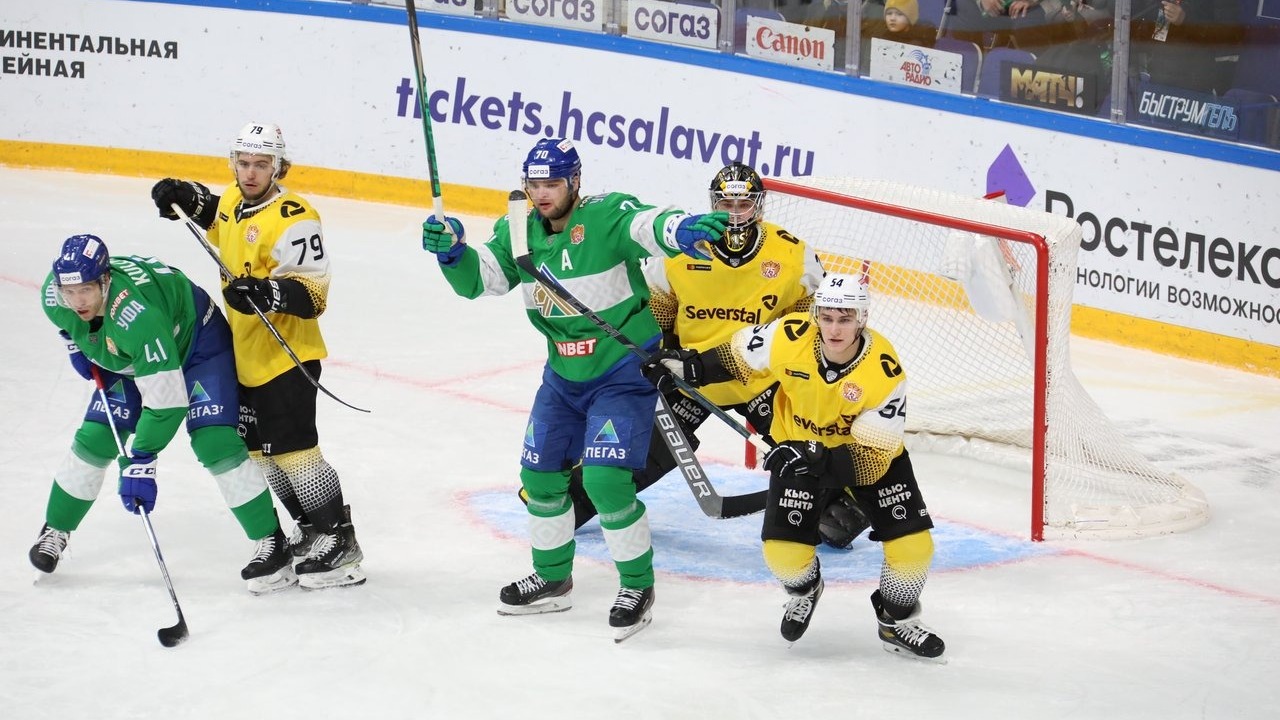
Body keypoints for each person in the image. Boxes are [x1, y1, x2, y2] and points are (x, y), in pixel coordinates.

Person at [420, 137, 728, 641]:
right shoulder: (517, 227)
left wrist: (682, 228)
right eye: (534, 184)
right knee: (539, 477)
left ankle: (637, 586)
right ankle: (553, 577)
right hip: (563, 376)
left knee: (606, 482)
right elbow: (482, 280)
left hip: (621, 372)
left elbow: (648, 225)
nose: (542, 194)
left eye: (553, 184)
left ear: (575, 182)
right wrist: (454, 253)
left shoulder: (605, 216)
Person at [552, 161, 871, 549]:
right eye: (726, 204)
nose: (734, 214)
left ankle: (843, 499)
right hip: (691, 376)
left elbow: (808, 325)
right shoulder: (678, 251)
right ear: (713, 204)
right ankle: (568, 498)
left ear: (759, 205)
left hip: (762, 381)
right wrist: (657, 354)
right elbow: (658, 311)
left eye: (743, 204)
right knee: (635, 456)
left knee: (814, 456)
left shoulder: (793, 255)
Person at [645, 273, 946, 660]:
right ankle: (806, 590)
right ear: (816, 315)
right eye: (827, 318)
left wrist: (816, 455)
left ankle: (896, 621)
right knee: (783, 557)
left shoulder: (883, 372)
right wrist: (687, 368)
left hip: (868, 456)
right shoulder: (789, 335)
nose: (834, 329)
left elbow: (873, 461)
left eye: (845, 319)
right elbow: (737, 356)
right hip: (797, 454)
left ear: (862, 318)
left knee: (914, 548)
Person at [149, 122, 364, 590]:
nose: (250, 173)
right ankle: (310, 529)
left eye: (261, 164)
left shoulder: (295, 217)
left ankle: (339, 538)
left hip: (289, 356)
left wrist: (268, 292)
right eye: (243, 163)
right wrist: (185, 196)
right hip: (245, 355)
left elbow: (314, 294)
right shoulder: (233, 198)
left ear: (278, 167)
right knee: (263, 454)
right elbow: (219, 216)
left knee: (296, 451)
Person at [30, 234, 296, 595]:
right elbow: (67, 322)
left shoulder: (136, 317)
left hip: (197, 345)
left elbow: (167, 402)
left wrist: (142, 457)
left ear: (105, 281)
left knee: (214, 441)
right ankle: (55, 528)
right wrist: (75, 343)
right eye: (70, 292)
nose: (77, 302)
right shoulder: (53, 295)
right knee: (97, 437)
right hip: (132, 355)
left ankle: (271, 542)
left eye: (87, 291)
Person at [861, 0, 937, 71]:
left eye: (899, 14)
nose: (892, 18)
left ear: (910, 18)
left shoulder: (917, 46)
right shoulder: (880, 38)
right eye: (889, 13)